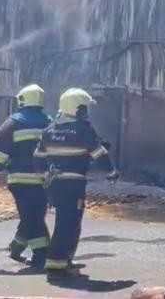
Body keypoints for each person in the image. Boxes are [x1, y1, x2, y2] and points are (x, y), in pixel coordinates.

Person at [35, 88, 119, 280]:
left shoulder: (49, 130)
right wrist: (111, 174)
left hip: (53, 185)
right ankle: (56, 264)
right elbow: (99, 155)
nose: (86, 112)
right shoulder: (83, 129)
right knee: (69, 224)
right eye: (84, 108)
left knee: (64, 221)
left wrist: (45, 176)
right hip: (73, 186)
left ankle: (64, 261)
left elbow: (38, 158)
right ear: (77, 109)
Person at [0, 84, 51, 270]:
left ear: (22, 100)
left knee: (31, 218)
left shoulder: (12, 123)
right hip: (45, 182)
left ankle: (34, 252)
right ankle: (30, 251)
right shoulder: (50, 123)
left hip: (20, 181)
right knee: (35, 216)